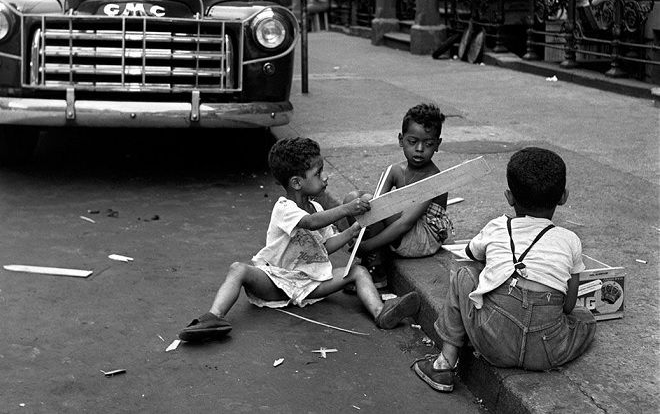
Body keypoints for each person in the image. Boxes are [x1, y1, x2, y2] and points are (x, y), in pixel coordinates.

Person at [178, 137, 421, 343]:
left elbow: (326, 246)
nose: (325, 179)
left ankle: (381, 312)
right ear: (297, 182)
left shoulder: (316, 206)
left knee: (357, 271)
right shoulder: (285, 208)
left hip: (311, 284)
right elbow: (311, 223)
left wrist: (353, 231)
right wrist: (349, 208)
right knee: (238, 269)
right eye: (318, 174)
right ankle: (214, 316)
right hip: (277, 281)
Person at [412, 147, 596, 393]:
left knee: (464, 274)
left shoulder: (497, 227)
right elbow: (569, 306)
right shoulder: (571, 240)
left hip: (494, 345)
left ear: (509, 197)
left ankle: (444, 363)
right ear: (563, 196)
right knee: (586, 318)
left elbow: (470, 255)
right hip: (547, 352)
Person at [345, 103, 452, 290]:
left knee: (370, 200)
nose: (419, 149)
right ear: (401, 140)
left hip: (422, 239)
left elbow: (406, 223)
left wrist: (366, 246)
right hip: (404, 232)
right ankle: (376, 262)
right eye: (413, 142)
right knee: (354, 199)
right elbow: (374, 211)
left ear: (437, 145)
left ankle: (376, 263)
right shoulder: (394, 171)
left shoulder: (433, 178)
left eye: (428, 144)